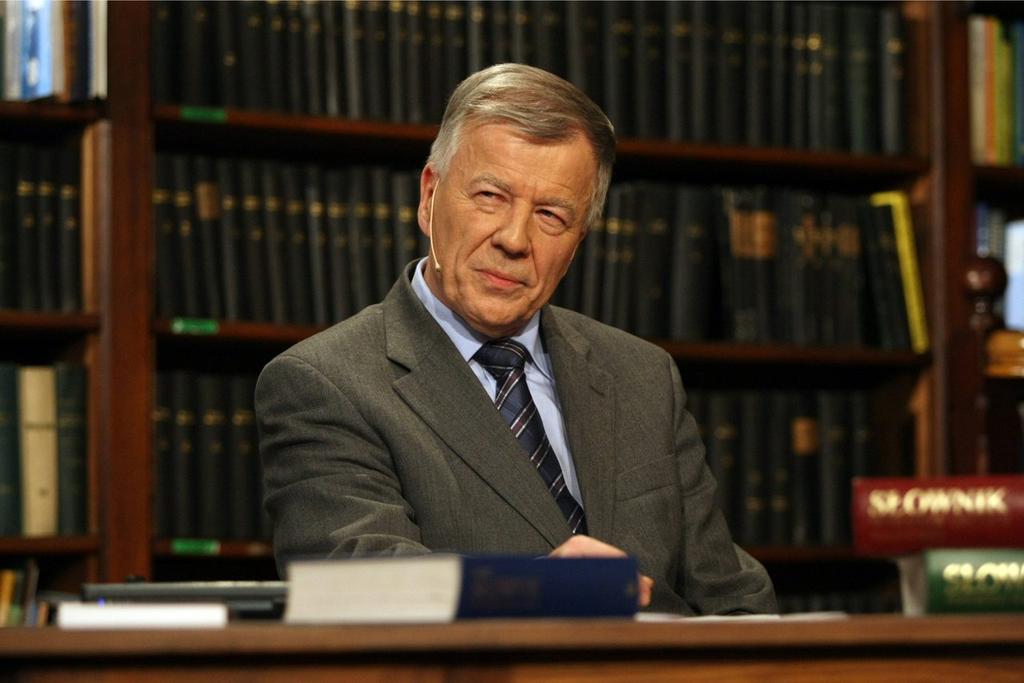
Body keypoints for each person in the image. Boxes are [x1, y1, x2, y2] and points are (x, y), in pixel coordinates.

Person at [256, 63, 776, 615]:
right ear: (429, 198)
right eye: (490, 196)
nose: (513, 238)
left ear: (577, 241)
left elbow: (733, 598)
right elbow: (357, 585)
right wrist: (535, 590)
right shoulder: (324, 382)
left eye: (551, 215)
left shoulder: (643, 375)